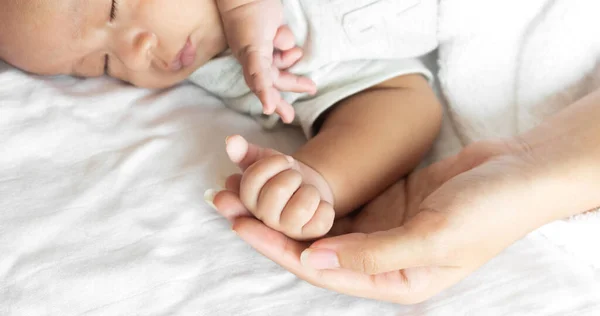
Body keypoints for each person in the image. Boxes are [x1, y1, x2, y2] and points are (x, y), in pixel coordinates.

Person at [0, 0, 440, 243]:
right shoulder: (251, 77)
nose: (136, 52)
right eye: (103, 64)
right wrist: (319, 179)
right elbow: (401, 101)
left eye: (114, 7)